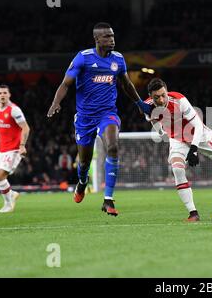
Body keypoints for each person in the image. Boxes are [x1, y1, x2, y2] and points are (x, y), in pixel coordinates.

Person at [47, 22, 151, 216]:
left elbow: (127, 84)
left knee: (112, 146)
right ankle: (82, 181)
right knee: (84, 162)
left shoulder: (118, 60)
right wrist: (56, 103)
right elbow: (65, 83)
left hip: (107, 113)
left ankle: (108, 199)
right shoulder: (83, 58)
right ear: (97, 39)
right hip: (85, 118)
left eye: (112, 36)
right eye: (107, 37)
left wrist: (140, 103)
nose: (112, 40)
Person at [145, 78, 212, 221]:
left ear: (167, 91)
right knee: (177, 169)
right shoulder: (147, 106)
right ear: (151, 97)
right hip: (177, 139)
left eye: (163, 95)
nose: (161, 99)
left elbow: (197, 125)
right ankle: (193, 213)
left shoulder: (179, 100)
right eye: (156, 97)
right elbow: (155, 124)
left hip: (199, 134)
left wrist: (194, 149)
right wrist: (160, 131)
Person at [0, 84, 30, 213]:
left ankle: (8, 204)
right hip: (2, 149)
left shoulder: (14, 110)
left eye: (5, 93)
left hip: (14, 149)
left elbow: (26, 128)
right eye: (0, 93)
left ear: (9, 95)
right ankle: (11, 193)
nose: (2, 95)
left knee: (0, 176)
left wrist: (22, 145)